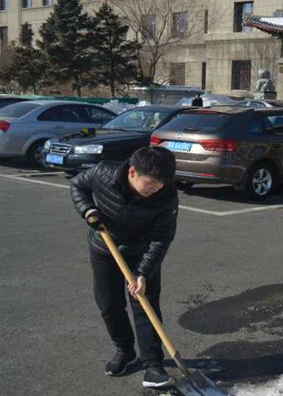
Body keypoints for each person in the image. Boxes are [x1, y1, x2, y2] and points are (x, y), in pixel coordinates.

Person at [70, 147, 179, 388]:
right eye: (150, 183)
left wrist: (143, 272)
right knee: (109, 304)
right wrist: (88, 210)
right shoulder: (103, 173)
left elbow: (162, 236)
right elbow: (77, 185)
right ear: (132, 172)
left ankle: (153, 365)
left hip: (141, 252)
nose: (155, 189)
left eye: (161, 184)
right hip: (104, 247)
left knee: (145, 305)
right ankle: (125, 351)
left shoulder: (167, 195)